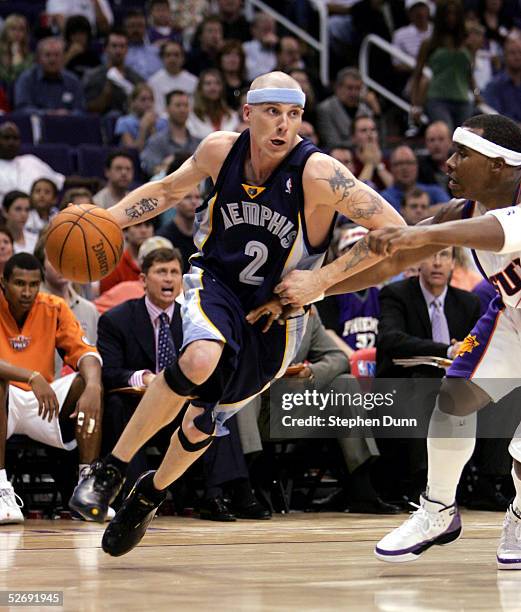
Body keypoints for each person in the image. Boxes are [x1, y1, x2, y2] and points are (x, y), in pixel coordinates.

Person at [68, 71, 404, 556]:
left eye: (293, 115)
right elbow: (165, 191)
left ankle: (149, 496)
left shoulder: (317, 173)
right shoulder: (219, 150)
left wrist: (320, 281)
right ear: (248, 114)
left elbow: (393, 229)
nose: (283, 125)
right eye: (272, 112)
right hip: (216, 283)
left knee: (203, 422)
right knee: (200, 358)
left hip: (279, 315)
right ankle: (111, 469)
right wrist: (108, 219)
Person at [267, 113, 521, 569]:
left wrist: (420, 231)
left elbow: (498, 232)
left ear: (499, 165)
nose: (449, 162)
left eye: (463, 154)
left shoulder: (484, 219)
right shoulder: (462, 211)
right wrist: (317, 287)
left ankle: (520, 515)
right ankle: (438, 510)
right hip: (514, 315)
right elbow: (388, 263)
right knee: (453, 398)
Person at [0, 253, 103, 523]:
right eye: (19, 284)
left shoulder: (54, 306)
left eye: (33, 284)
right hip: (7, 400)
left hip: (42, 406)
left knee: (87, 382)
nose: (26, 291)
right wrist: (32, 376)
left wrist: (93, 385)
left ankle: (87, 488)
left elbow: (86, 354)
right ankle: (0, 488)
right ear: (3, 282)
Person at [14, 37, 85, 115]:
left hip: (67, 125)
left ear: (63, 57)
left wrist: (68, 114)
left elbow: (80, 110)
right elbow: (22, 109)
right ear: (38, 58)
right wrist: (48, 114)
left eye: (57, 55)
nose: (52, 60)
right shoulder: (26, 79)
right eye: (47, 55)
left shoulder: (73, 81)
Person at [0, 123, 65, 203]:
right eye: (6, 138)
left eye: (15, 138)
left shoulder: (31, 160)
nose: (11, 142)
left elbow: (60, 180)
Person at [147, 41, 197, 117]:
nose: (172, 59)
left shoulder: (194, 81)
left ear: (183, 58)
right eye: (168, 55)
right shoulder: (153, 82)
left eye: (176, 55)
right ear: (162, 58)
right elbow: (154, 109)